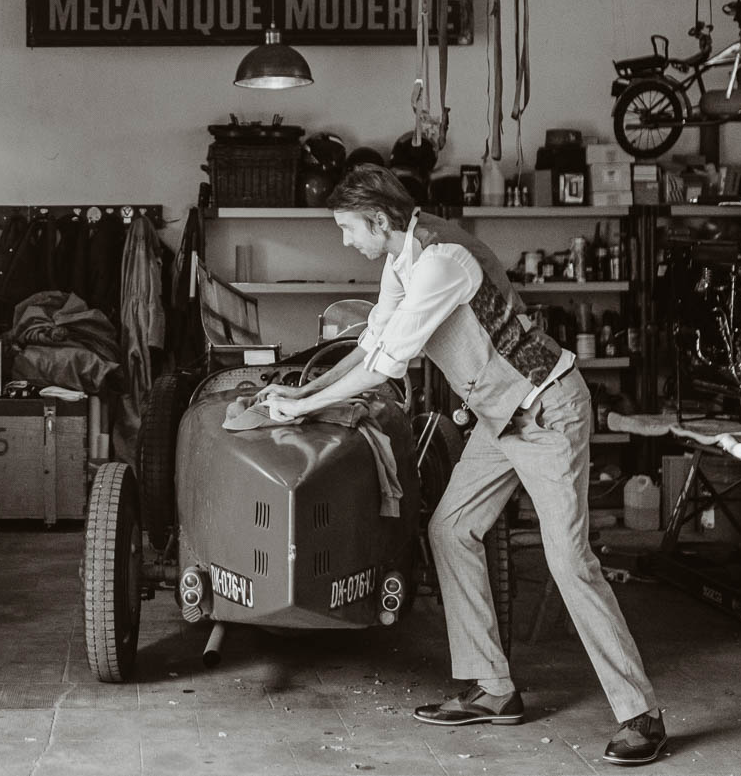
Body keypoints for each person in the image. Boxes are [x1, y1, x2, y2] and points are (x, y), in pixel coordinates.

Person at [259, 166, 665, 766]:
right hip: (502, 417)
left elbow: (387, 368)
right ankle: (495, 690)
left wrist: (306, 404)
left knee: (569, 560)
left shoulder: (441, 261)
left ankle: (641, 715)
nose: (347, 242)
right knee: (450, 529)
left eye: (348, 229)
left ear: (378, 220)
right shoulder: (401, 261)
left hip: (545, 410)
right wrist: (305, 391)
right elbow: (371, 344)